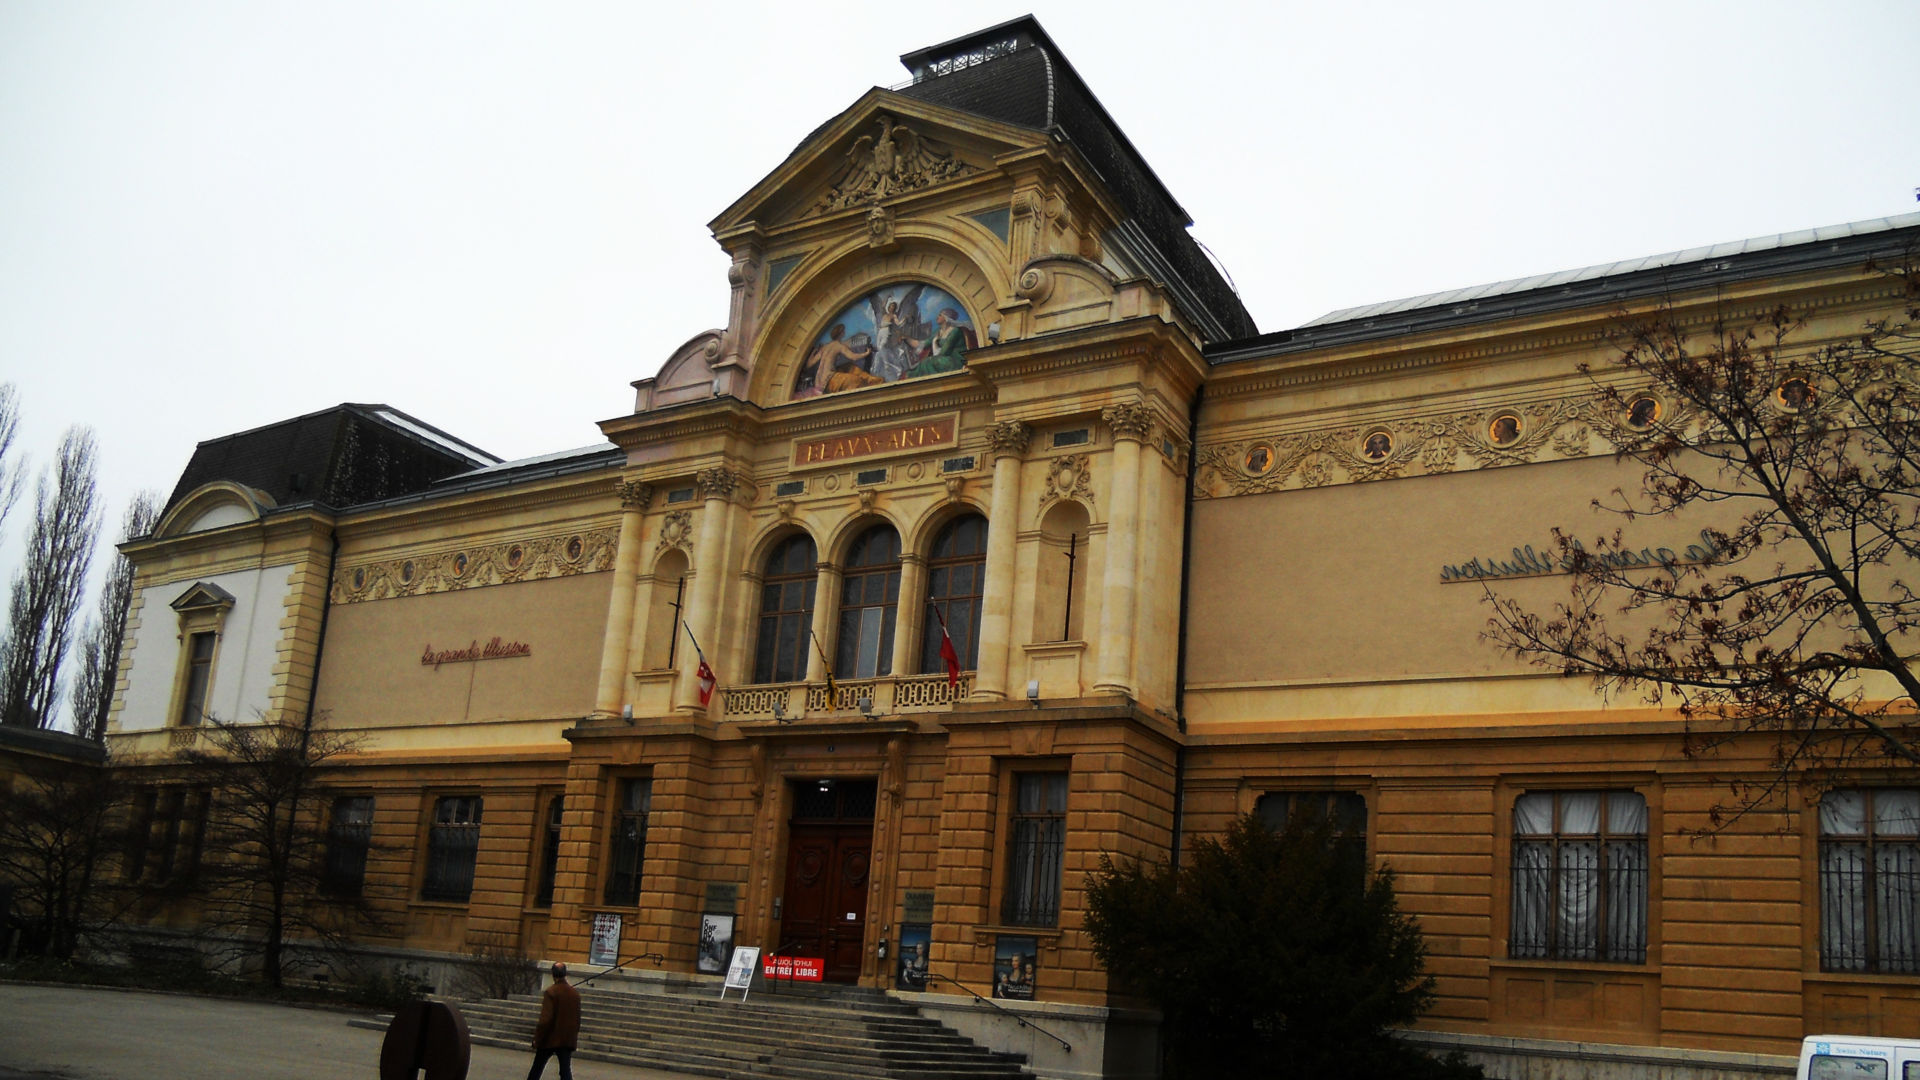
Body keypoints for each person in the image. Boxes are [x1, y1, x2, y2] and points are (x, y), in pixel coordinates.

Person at [527, 962, 582, 1080]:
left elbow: (545, 1020)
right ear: (565, 974)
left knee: (537, 1069)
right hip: (567, 1038)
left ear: (553, 974)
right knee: (565, 1071)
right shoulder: (575, 994)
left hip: (550, 1038)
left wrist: (538, 1039)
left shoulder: (551, 992)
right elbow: (577, 1019)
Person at [903, 308, 970, 378]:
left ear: (946, 318)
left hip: (955, 361)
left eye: (940, 315)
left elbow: (944, 352)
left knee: (929, 362)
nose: (937, 317)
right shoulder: (938, 331)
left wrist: (933, 357)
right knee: (924, 363)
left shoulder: (955, 331)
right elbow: (923, 344)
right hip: (941, 360)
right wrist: (906, 338)